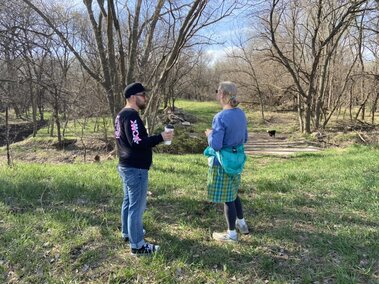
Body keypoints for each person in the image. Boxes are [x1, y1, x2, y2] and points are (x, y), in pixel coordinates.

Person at [115, 82, 173, 256]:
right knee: (136, 207)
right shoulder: (131, 116)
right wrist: (160, 137)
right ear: (133, 97)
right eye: (143, 95)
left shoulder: (120, 115)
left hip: (125, 165)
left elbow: (131, 140)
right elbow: (138, 142)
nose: (145, 98)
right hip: (135, 168)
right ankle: (137, 246)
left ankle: (128, 233)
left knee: (128, 201)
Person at [204, 81, 249, 242]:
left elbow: (216, 145)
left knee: (227, 198)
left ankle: (231, 234)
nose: (217, 94)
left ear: (222, 94)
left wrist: (209, 134)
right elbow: (245, 138)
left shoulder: (220, 117)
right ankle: (242, 224)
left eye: (217, 91)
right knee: (234, 192)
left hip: (223, 162)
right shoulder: (241, 114)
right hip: (237, 160)